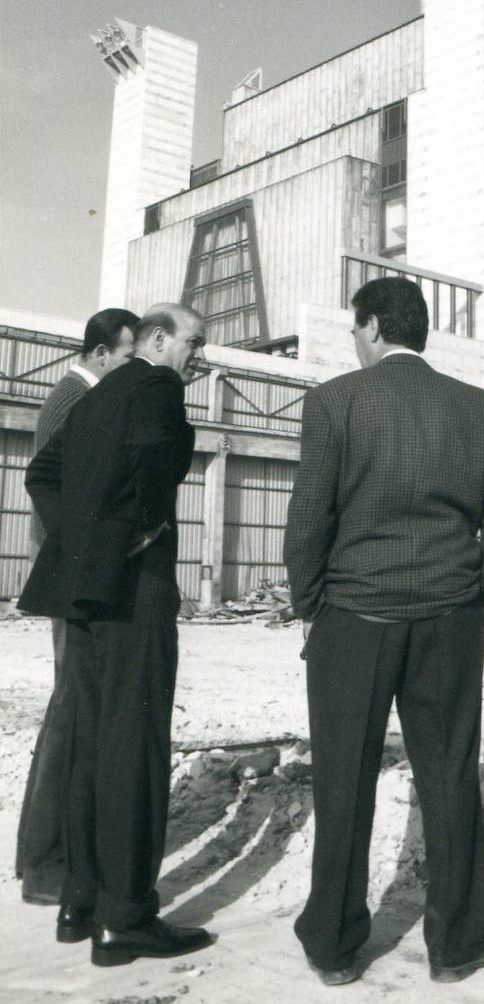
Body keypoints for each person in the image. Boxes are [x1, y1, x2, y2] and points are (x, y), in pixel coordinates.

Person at [284, 276, 484, 986]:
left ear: (369, 328)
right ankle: (456, 947)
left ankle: (332, 946)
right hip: (448, 619)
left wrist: (311, 603)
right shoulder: (476, 406)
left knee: (342, 780)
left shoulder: (334, 401)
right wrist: (476, 590)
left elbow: (308, 516)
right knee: (449, 776)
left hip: (353, 620)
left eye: (354, 330)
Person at [19, 303, 212, 968]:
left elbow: (41, 474)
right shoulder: (158, 386)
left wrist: (83, 544)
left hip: (81, 592)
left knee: (88, 742)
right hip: (135, 591)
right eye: (194, 342)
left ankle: (79, 901)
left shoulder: (98, 396)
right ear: (157, 339)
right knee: (135, 744)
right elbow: (159, 463)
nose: (199, 357)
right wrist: (136, 533)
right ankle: (127, 915)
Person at [17, 307, 139, 905]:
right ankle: (44, 864)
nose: (130, 366)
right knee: (69, 713)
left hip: (73, 576)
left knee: (72, 709)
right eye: (124, 355)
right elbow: (53, 490)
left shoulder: (80, 393)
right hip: (72, 581)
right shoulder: (74, 399)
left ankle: (46, 856)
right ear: (98, 354)